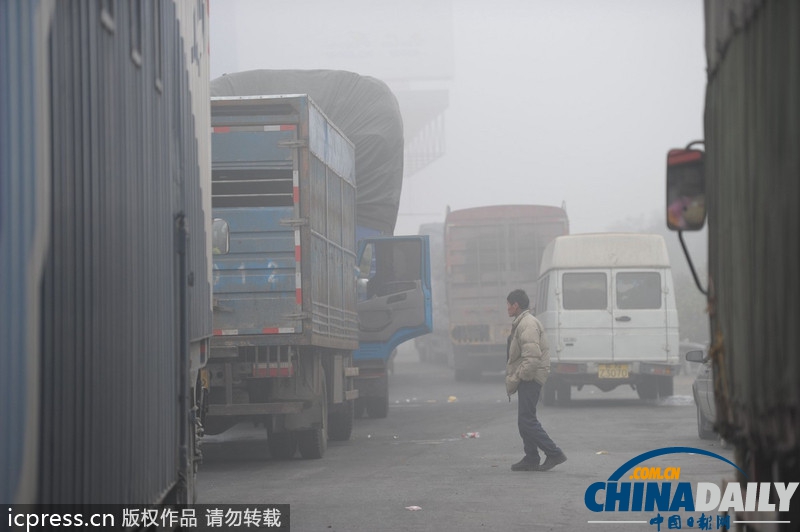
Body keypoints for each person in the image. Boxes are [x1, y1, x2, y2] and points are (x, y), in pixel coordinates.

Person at [505, 289, 567, 472]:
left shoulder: (528, 324)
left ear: (516, 305)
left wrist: (520, 377)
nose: (507, 308)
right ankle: (531, 457)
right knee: (525, 420)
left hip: (530, 376)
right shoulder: (522, 322)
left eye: (508, 305)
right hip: (529, 375)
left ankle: (554, 453)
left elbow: (532, 357)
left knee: (527, 420)